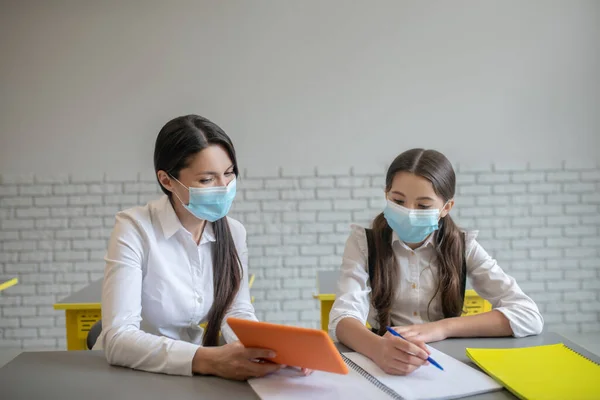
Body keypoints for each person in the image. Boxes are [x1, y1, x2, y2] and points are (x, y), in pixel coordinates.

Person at [94, 114, 282, 380]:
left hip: (191, 375)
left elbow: (236, 311)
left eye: (228, 174)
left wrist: (272, 351)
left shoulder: (233, 232)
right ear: (167, 180)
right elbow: (118, 338)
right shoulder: (133, 228)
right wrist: (209, 359)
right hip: (133, 375)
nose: (223, 187)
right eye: (207, 180)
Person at [329, 148, 544, 375]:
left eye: (423, 206)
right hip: (383, 359)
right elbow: (343, 317)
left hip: (444, 364)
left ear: (446, 208)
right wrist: (378, 349)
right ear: (386, 195)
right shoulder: (364, 242)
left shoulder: (463, 246)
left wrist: (441, 328)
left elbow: (528, 316)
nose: (408, 212)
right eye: (398, 200)